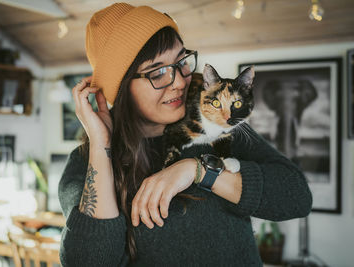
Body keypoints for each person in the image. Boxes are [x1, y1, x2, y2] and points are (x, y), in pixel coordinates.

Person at [58, 3, 312, 266]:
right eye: (157, 72)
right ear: (121, 87)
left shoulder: (216, 125)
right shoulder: (85, 163)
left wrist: (199, 170)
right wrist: (101, 146)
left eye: (181, 62)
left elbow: (297, 196)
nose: (179, 81)